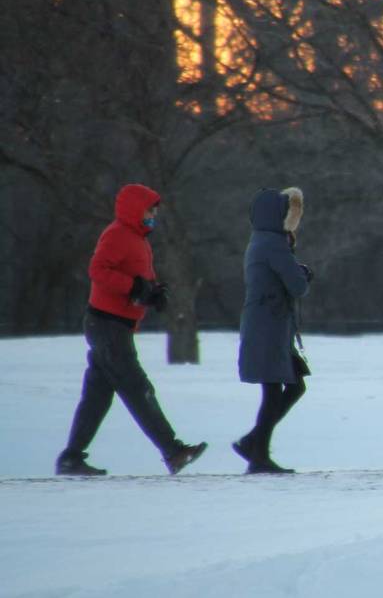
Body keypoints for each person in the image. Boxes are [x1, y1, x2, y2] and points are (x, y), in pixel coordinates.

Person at [56, 184, 208, 476]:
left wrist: (151, 293)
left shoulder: (137, 239)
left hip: (113, 325)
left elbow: (133, 281)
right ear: (136, 209)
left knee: (97, 396)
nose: (154, 215)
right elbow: (99, 270)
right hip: (107, 324)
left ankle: (71, 458)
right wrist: (137, 288)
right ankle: (173, 451)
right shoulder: (117, 234)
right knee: (138, 389)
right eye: (150, 210)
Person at [233, 187, 313, 474]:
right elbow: (297, 285)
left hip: (268, 324)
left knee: (292, 384)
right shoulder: (274, 245)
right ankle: (258, 455)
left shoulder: (260, 241)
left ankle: (254, 442)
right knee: (274, 390)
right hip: (269, 326)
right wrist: (302, 273)